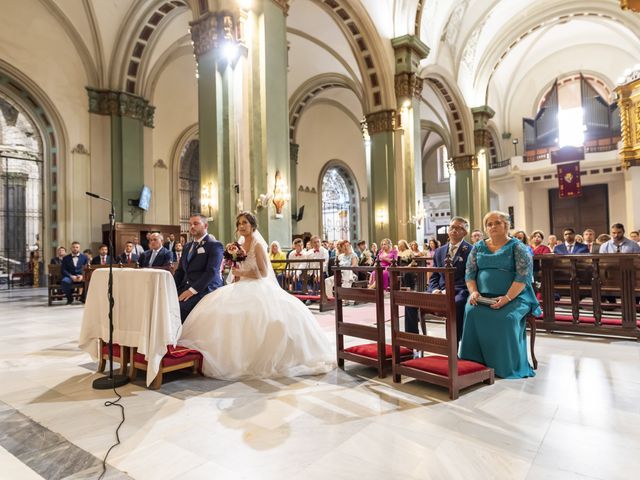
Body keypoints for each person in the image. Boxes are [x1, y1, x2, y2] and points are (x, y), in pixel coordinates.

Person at [178, 212, 335, 380]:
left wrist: (242, 272)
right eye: (239, 224)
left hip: (257, 286)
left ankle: (250, 359)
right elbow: (237, 267)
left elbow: (263, 272)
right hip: (240, 285)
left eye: (245, 223)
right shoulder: (238, 245)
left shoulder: (258, 245)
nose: (241, 226)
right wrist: (236, 275)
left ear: (252, 225)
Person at [459, 211, 540, 379]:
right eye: (489, 224)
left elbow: (523, 276)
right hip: (482, 296)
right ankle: (474, 363)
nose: (493, 226)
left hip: (515, 296)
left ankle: (504, 365)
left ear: (506, 226)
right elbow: (470, 273)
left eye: (497, 223)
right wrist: (473, 292)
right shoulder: (478, 247)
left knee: (506, 318)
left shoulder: (517, 247)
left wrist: (507, 298)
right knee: (472, 311)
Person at [404, 217, 472, 339]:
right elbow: (435, 275)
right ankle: (411, 343)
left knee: (455, 305)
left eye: (458, 228)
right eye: (451, 227)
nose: (453, 230)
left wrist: (448, 291)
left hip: (459, 291)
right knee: (410, 302)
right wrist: (434, 289)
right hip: (437, 291)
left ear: (465, 232)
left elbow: (469, 277)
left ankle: (453, 346)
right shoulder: (440, 251)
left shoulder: (471, 250)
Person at [174, 215, 224, 322]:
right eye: (190, 224)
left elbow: (211, 272)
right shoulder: (187, 246)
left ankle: (179, 337)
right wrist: (171, 288)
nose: (192, 226)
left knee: (180, 308)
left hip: (204, 288)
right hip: (186, 286)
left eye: (196, 223)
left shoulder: (214, 245)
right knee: (165, 304)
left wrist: (192, 291)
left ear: (205, 225)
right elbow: (180, 271)